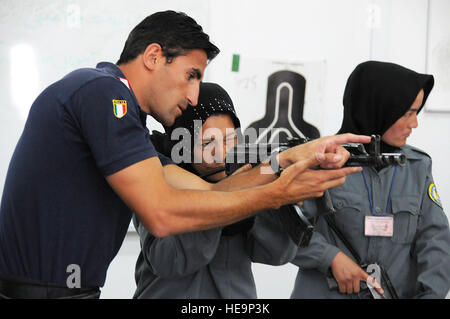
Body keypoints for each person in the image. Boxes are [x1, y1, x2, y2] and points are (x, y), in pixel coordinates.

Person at [0, 10, 368, 299]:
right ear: (154, 56)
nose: (193, 96)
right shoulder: (103, 94)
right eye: (191, 75)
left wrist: (291, 158)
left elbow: (204, 192)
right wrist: (276, 193)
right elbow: (163, 215)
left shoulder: (129, 128)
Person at [290, 61, 450, 299]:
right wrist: (329, 257)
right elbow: (285, 230)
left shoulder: (417, 167)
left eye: (416, 112)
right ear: (379, 108)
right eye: (407, 113)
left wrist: (430, 294)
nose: (414, 123)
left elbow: (436, 241)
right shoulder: (321, 160)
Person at [133, 82, 298, 298]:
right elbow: (169, 261)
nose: (221, 153)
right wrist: (222, 200)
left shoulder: (249, 178)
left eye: (230, 140)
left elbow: (277, 254)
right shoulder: (156, 181)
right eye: (207, 143)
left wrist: (276, 199)